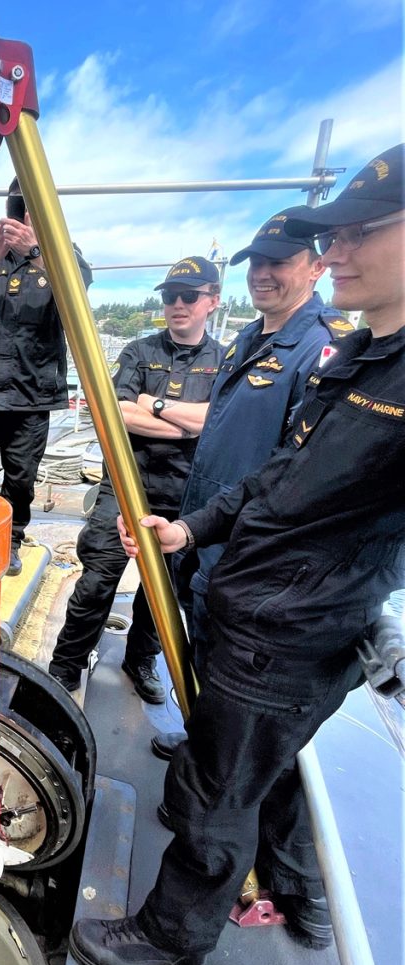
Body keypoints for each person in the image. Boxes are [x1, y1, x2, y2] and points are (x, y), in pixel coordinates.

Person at [69, 143, 405, 965]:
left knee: (224, 790)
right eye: (332, 235)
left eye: (363, 233)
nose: (338, 253)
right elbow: (277, 474)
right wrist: (193, 530)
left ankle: (171, 942)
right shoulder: (357, 357)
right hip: (247, 591)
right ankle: (298, 891)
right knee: (255, 763)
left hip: (290, 626)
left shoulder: (337, 353)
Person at [152, 209, 351, 761]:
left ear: (314, 267)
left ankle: (207, 778)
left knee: (230, 674)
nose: (263, 274)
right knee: (203, 654)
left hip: (248, 544)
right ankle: (199, 744)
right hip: (206, 525)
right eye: (256, 263)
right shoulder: (247, 337)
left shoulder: (324, 348)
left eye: (279, 262)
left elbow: (298, 469)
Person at [47, 257, 222, 700]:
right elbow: (118, 412)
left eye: (189, 296)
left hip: (186, 498)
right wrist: (189, 424)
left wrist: (156, 405)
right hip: (126, 489)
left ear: (213, 302)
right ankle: (64, 667)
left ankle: (139, 660)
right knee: (97, 580)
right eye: (169, 297)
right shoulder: (139, 352)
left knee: (162, 590)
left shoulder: (226, 359)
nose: (177, 304)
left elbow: (214, 420)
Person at [0, 178, 91, 576]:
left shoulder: (63, 257)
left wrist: (35, 252)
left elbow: (77, 290)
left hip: (31, 396)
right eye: (21, 208)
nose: (25, 215)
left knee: (20, 479)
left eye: (34, 208)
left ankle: (9, 541)